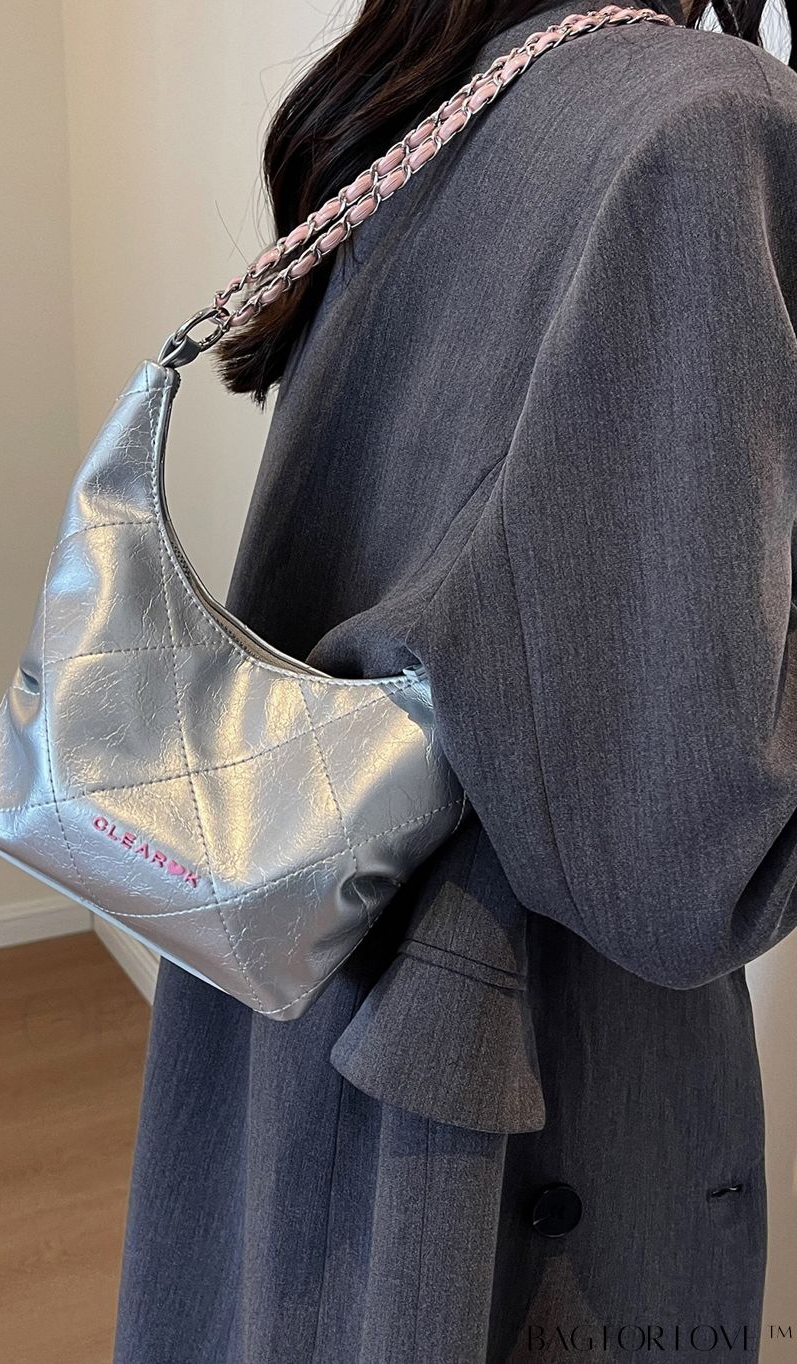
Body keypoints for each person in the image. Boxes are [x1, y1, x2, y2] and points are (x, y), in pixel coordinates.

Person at [113, 0, 797, 1359]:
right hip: (497, 1098)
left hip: (300, 970)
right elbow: (678, 864)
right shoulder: (704, 122)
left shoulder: (426, 102)